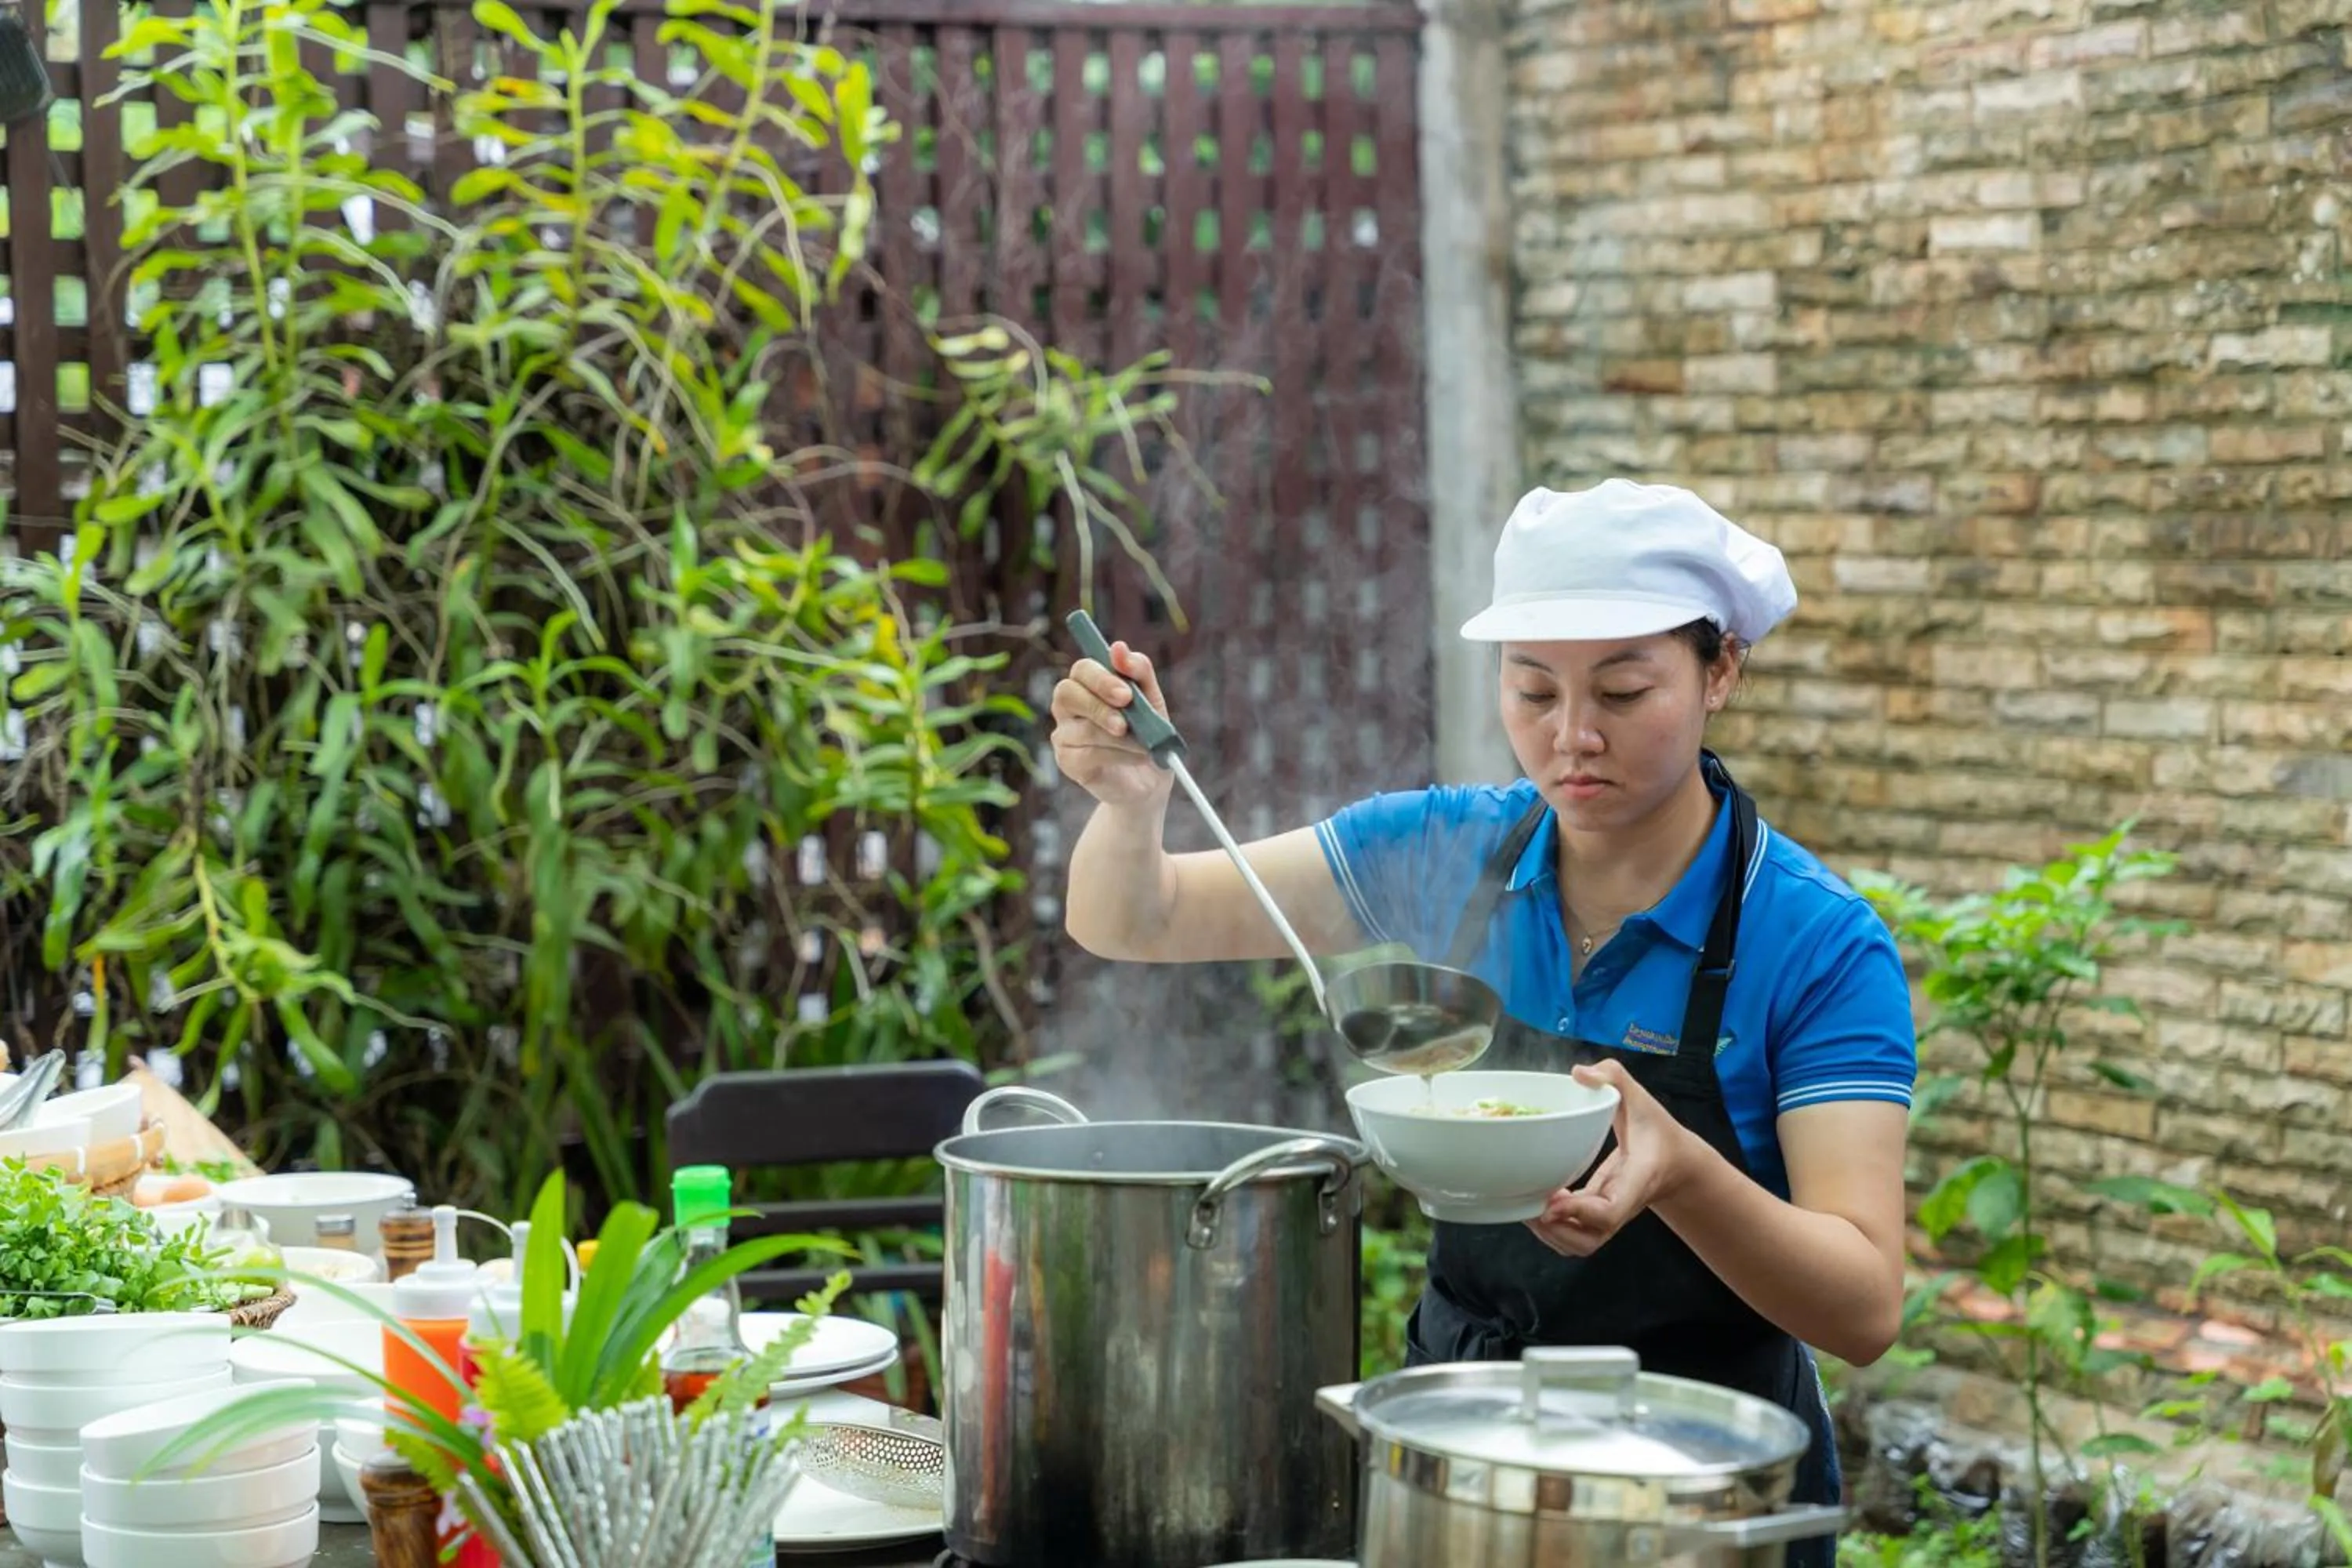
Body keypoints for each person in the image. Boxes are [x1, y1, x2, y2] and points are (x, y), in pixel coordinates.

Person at [1049, 478, 1916, 1554]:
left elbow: (1865, 1307)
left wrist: (1682, 1174)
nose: (1573, 738)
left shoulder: (1816, 943)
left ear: (1720, 671)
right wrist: (1130, 807)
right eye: (1534, 691)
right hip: (1461, 1460)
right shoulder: (1445, 852)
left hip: (1706, 1487)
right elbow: (1138, 917)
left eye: (1624, 690)